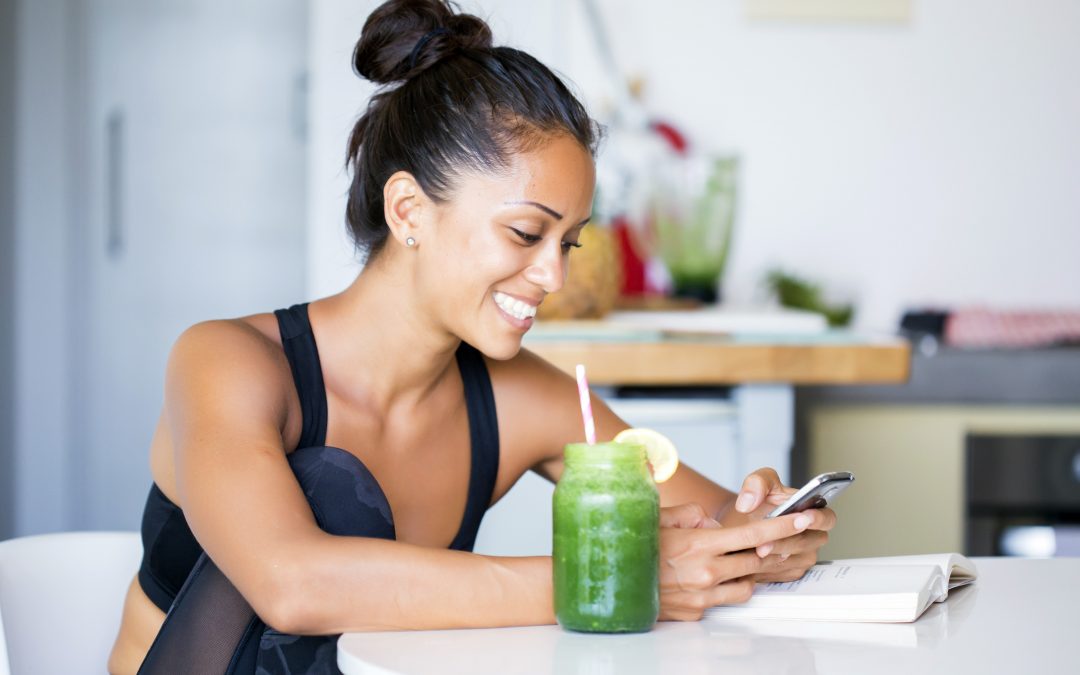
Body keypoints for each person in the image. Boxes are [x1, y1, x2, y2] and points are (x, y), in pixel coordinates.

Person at [107, 1, 835, 672]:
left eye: (569, 243)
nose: (552, 275)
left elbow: (716, 523)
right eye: (525, 232)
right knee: (330, 486)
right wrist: (616, 583)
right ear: (409, 211)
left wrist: (763, 533)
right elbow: (292, 583)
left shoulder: (528, 399)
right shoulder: (228, 362)